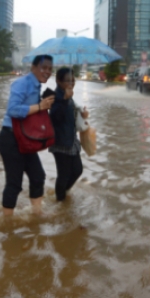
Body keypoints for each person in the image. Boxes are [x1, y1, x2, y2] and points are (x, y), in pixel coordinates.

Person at [0, 54, 55, 217]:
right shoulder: (22, 83)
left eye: (50, 69)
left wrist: (45, 105)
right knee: (14, 183)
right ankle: (7, 224)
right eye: (44, 68)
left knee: (38, 176)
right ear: (33, 68)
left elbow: (32, 115)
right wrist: (39, 106)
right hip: (10, 138)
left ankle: (37, 215)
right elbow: (13, 110)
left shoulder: (37, 86)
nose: (47, 72)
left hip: (25, 140)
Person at [48, 68, 88, 201]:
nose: (71, 83)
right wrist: (65, 99)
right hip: (60, 142)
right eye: (67, 81)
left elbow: (71, 117)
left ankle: (62, 192)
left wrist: (82, 115)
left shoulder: (68, 95)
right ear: (58, 81)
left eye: (73, 80)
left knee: (77, 170)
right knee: (64, 174)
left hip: (70, 140)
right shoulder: (55, 97)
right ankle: (60, 202)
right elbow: (56, 117)